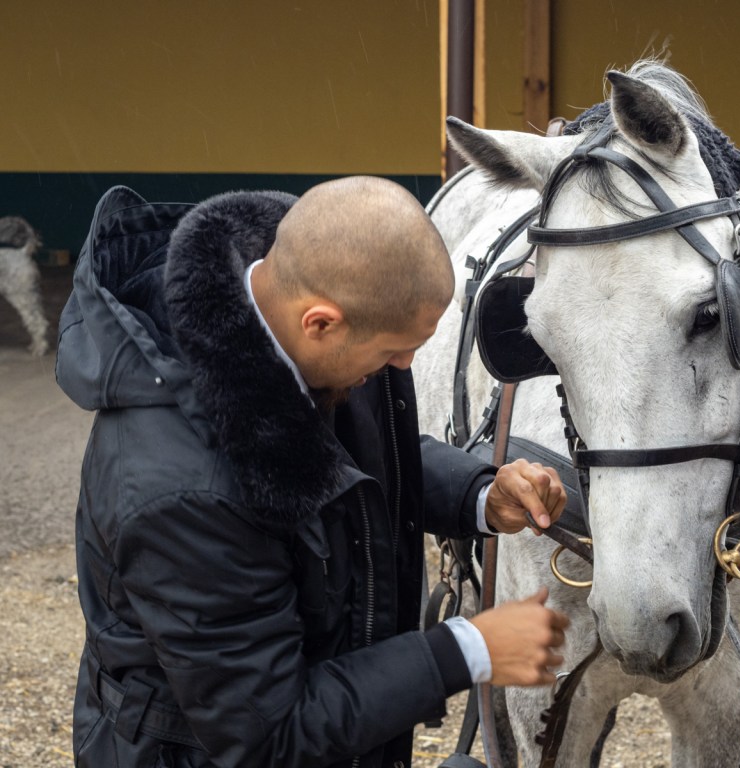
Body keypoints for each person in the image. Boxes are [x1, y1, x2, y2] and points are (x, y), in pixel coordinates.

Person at [57, 177, 570, 768]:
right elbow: (269, 733)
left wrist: (479, 492)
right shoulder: (181, 489)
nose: (403, 366)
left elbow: (354, 458)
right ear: (320, 323)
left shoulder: (304, 321)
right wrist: (468, 649)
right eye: (393, 354)